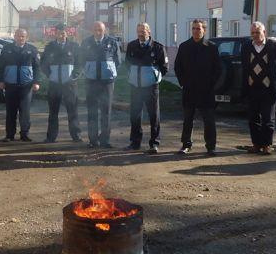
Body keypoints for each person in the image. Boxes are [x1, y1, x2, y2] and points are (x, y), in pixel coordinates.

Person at [174, 19, 222, 155]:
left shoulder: (211, 47)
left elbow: (218, 68)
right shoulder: (184, 46)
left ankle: (211, 146)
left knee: (209, 120)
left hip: (206, 91)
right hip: (189, 89)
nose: (196, 31)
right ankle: (186, 145)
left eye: (198, 29)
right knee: (188, 119)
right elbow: (178, 67)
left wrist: (211, 84)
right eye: (194, 28)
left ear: (204, 30)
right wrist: (183, 82)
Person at [240, 21, 276, 155]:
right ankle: (256, 144)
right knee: (253, 119)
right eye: (252, 33)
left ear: (264, 33)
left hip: (268, 89)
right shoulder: (246, 46)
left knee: (268, 119)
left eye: (257, 32)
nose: (255, 35)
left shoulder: (274, 46)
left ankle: (267, 145)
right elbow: (244, 66)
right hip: (252, 88)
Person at [125, 22, 168, 154]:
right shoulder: (132, 46)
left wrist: (154, 78)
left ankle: (154, 143)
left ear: (149, 32)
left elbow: (164, 67)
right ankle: (135, 142)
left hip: (151, 88)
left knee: (154, 116)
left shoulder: (158, 47)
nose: (140, 33)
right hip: (135, 87)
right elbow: (127, 64)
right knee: (135, 115)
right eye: (138, 31)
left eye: (143, 31)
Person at [81, 21, 121, 148]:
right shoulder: (86, 42)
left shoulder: (112, 42)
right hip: (91, 82)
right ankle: (93, 140)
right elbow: (81, 60)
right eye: (95, 29)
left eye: (100, 29)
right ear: (92, 30)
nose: (98, 32)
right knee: (92, 111)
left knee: (106, 112)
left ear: (104, 30)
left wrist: (109, 73)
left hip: (107, 83)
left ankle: (105, 140)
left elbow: (118, 61)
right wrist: (88, 70)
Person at [40, 24, 82, 143]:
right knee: (53, 112)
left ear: (67, 33)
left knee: (72, 110)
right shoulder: (49, 47)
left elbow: (80, 63)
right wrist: (49, 74)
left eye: (63, 33)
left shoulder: (74, 46)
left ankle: (76, 136)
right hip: (54, 84)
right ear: (55, 33)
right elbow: (43, 63)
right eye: (59, 33)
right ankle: (51, 137)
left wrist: (74, 75)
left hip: (70, 84)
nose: (61, 35)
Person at [0, 28, 40, 141]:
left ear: (26, 38)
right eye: (18, 36)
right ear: (14, 37)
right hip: (10, 85)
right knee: (11, 111)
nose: (20, 38)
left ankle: (24, 134)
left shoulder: (32, 49)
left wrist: (36, 82)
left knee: (25, 112)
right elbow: (0, 66)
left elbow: (37, 68)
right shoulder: (7, 49)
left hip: (26, 86)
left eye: (22, 36)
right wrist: (1, 80)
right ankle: (9, 135)